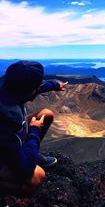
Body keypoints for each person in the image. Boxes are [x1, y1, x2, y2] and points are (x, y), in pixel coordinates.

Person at [0, 60, 67, 193]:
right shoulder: (6, 122)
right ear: (30, 91)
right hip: (5, 150)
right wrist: (34, 131)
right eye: (36, 87)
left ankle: (30, 154)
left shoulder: (9, 88)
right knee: (37, 176)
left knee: (46, 114)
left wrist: (55, 85)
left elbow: (36, 87)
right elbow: (24, 168)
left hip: (9, 144)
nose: (39, 88)